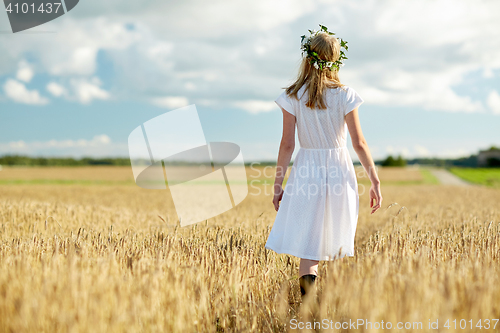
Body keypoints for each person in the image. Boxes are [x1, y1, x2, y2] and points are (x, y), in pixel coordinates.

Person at [264, 25, 382, 297]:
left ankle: (309, 306)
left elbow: (287, 145)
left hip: (306, 170)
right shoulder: (345, 94)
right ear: (336, 60)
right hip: (339, 170)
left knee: (309, 244)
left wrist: (278, 184)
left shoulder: (293, 95)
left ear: (308, 58)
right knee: (335, 237)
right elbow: (359, 143)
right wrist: (374, 181)